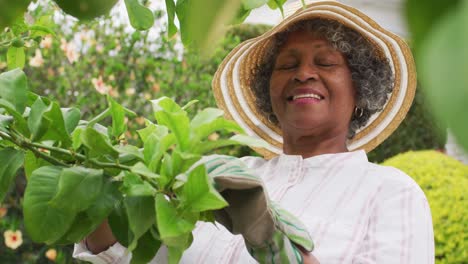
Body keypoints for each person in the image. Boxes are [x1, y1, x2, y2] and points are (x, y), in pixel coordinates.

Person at [74, 1, 434, 263]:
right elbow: (134, 255)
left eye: (325, 62)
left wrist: (271, 241)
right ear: (268, 92)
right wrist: (92, 195)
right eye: (287, 65)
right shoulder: (219, 176)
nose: (303, 73)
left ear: (360, 90)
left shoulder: (390, 192)